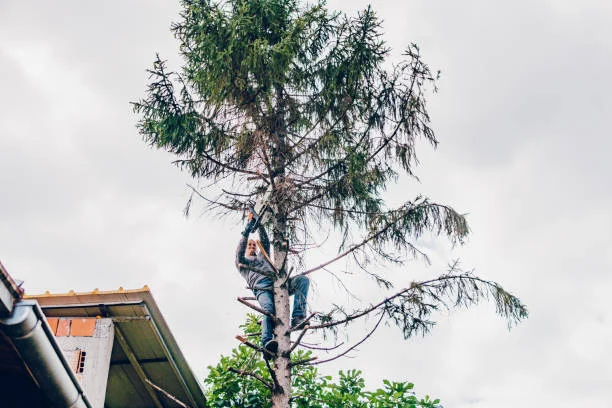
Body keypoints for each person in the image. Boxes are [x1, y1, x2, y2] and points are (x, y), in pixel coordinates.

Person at [236, 218, 309, 358]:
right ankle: (267, 344)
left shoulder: (262, 256)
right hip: (262, 289)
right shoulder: (242, 263)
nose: (252, 246)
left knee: (302, 280)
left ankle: (298, 317)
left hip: (278, 284)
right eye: (249, 245)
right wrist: (246, 231)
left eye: (253, 245)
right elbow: (239, 252)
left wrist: (259, 224)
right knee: (268, 311)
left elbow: (264, 241)